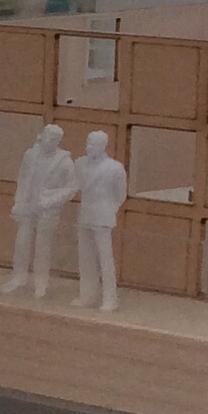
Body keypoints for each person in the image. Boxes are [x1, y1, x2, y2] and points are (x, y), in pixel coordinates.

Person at [3, 122, 77, 299]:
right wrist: (19, 201)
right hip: (28, 206)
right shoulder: (31, 154)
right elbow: (22, 179)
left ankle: (41, 282)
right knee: (22, 243)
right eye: (46, 136)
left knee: (42, 247)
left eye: (52, 139)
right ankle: (19, 277)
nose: (47, 141)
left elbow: (72, 188)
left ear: (57, 141)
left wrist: (51, 200)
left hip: (47, 210)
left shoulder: (65, 161)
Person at [74, 130, 129, 312]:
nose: (89, 147)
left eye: (94, 144)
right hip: (85, 215)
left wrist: (109, 210)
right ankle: (87, 296)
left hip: (103, 216)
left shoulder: (114, 167)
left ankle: (110, 299)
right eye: (88, 143)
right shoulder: (80, 163)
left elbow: (120, 194)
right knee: (85, 258)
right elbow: (75, 185)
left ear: (103, 146)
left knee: (105, 260)